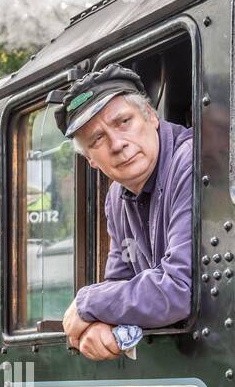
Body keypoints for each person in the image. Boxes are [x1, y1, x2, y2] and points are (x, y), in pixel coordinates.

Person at [52, 64, 195, 362]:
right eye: (98, 140)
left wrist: (87, 302)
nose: (117, 144)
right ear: (91, 160)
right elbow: (120, 285)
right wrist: (98, 328)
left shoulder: (194, 163)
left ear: (151, 117)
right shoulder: (116, 199)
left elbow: (180, 290)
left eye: (123, 122)